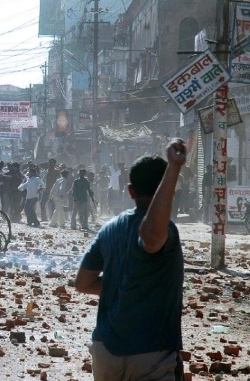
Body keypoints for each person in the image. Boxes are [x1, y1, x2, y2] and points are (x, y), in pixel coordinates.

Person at [74, 139, 187, 381]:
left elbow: (83, 283)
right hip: (151, 353)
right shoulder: (164, 230)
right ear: (169, 192)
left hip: (106, 351)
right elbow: (151, 236)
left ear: (130, 191)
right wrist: (174, 169)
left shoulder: (109, 229)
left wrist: (125, 283)